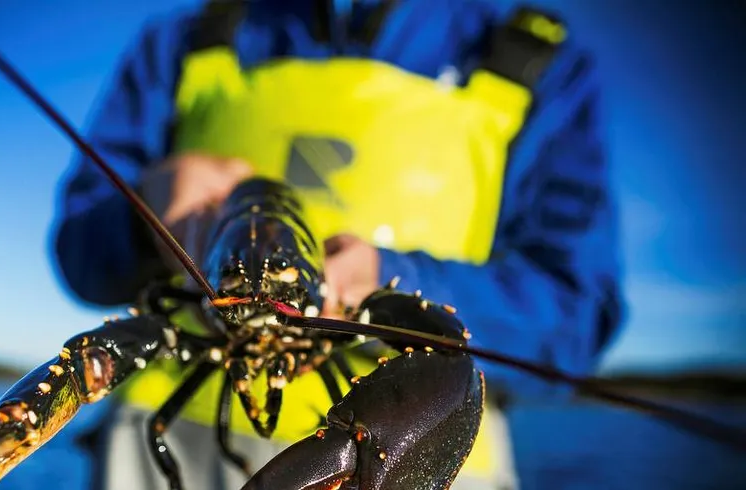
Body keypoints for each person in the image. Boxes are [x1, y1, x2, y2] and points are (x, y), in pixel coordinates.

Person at [52, 1, 624, 489]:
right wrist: (137, 210)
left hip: (412, 454)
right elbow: (80, 254)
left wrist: (391, 278)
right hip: (164, 450)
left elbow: (576, 318)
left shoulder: (541, 62)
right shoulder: (182, 40)